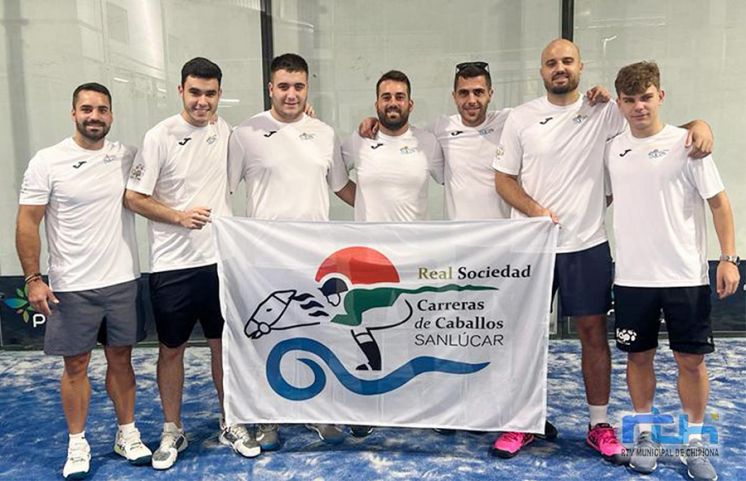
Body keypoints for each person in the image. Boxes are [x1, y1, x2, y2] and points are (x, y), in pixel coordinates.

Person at [492, 38, 713, 462]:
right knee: (525, 337)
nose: (560, 68)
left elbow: (656, 130)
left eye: (567, 61)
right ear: (541, 71)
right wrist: (536, 211)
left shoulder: (607, 110)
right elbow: (503, 179)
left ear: (580, 67)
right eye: (551, 62)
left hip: (587, 246)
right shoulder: (520, 118)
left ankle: (598, 424)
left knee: (593, 335)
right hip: (532, 248)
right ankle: (521, 421)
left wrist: (701, 125)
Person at [605, 61, 739, 481]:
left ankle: (694, 442)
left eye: (646, 97)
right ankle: (644, 435)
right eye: (630, 100)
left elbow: (719, 203)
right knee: (638, 356)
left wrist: (729, 259)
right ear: (620, 103)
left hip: (685, 276)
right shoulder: (612, 148)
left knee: (690, 360)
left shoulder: (689, 144)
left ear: (660, 96)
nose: (639, 107)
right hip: (631, 277)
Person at [124, 57, 260, 470]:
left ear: (219, 94)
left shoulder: (227, 131)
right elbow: (133, 196)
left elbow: (272, 134)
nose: (203, 102)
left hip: (219, 262)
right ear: (181, 90)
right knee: (171, 350)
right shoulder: (159, 136)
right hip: (172, 267)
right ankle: (172, 428)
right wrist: (179, 217)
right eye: (195, 92)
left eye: (211, 94)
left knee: (225, 347)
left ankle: (230, 420)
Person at [16, 82, 151, 479]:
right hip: (71, 286)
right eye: (87, 109)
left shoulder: (127, 156)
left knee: (121, 360)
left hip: (122, 281)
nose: (95, 116)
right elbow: (28, 221)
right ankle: (77, 442)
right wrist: (33, 279)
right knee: (75, 365)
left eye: (103, 110)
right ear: (73, 113)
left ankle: (126, 433)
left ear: (111, 115)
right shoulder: (48, 161)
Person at [228, 52, 355, 446]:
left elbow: (343, 189)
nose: (291, 94)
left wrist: (389, 220)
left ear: (307, 89)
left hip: (315, 259)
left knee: (321, 334)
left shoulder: (324, 133)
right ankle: (269, 418)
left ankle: (321, 413)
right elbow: (222, 193)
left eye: (298, 86)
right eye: (283, 86)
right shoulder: (244, 133)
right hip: (263, 260)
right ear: (270, 88)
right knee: (267, 340)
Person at [342, 69, 443, 222]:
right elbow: (334, 178)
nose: (393, 103)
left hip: (415, 243)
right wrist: (364, 203)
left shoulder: (428, 142)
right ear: (377, 105)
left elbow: (454, 183)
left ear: (410, 105)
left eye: (400, 97)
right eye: (386, 97)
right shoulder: (359, 140)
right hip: (370, 243)